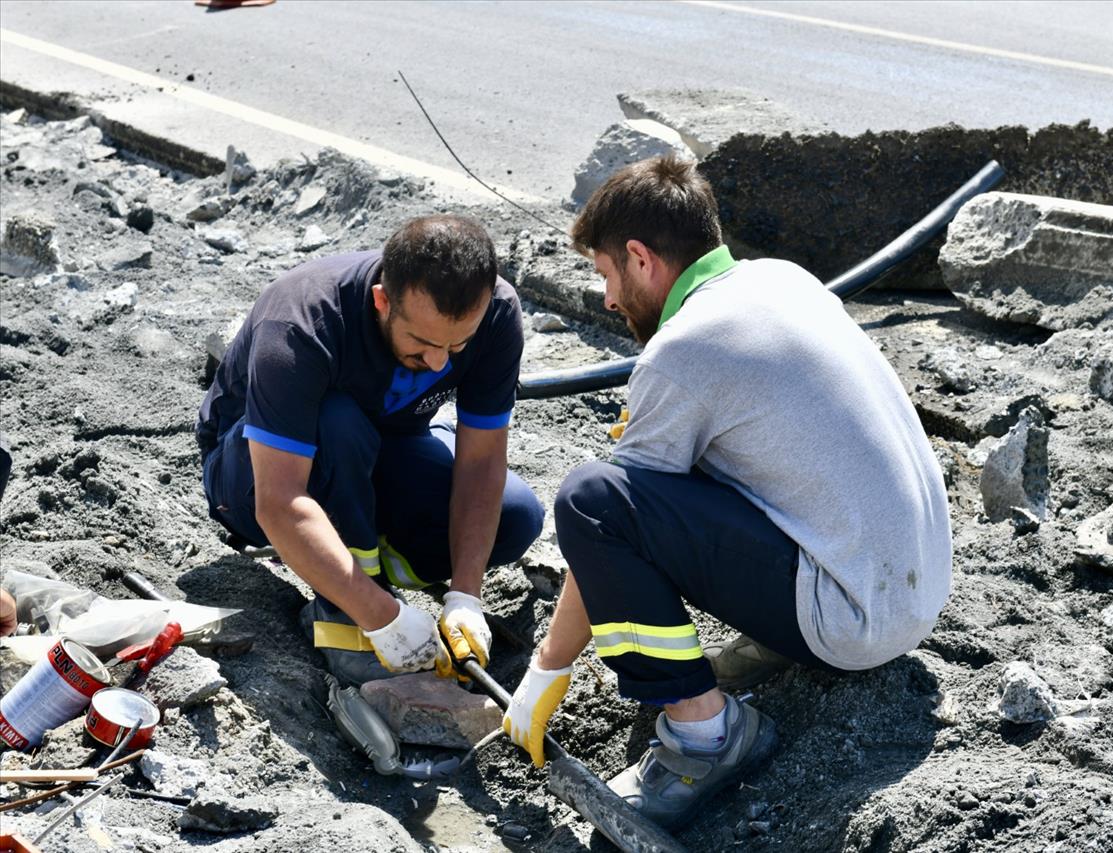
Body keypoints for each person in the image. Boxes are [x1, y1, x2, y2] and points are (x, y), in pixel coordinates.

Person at [500, 156, 952, 827]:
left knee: (592, 498)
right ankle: (779, 637)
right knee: (694, 465)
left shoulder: (684, 349)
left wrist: (547, 669)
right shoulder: (781, 280)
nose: (607, 299)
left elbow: (611, 517)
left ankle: (706, 737)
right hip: (917, 593)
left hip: (853, 620)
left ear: (640, 257)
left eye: (605, 275)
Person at [196, 215, 543, 685]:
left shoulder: (497, 312)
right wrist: (382, 615)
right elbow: (279, 501)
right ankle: (345, 607)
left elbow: (481, 462)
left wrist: (465, 596)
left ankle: (372, 559)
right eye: (422, 344)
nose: (439, 362)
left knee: (516, 515)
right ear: (382, 301)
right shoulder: (302, 322)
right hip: (252, 474)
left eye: (457, 345)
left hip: (381, 448)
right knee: (338, 421)